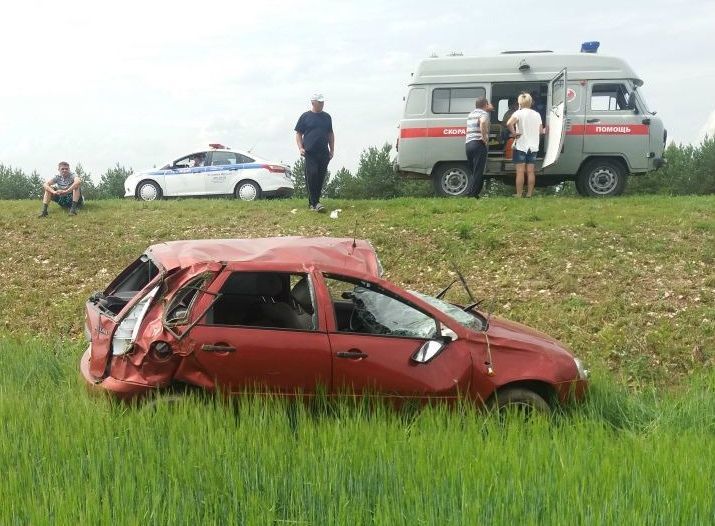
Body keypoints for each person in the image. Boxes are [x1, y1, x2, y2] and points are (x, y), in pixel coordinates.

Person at [295, 93, 334, 212]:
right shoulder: (305, 116)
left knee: (320, 177)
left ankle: (313, 203)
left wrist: (332, 149)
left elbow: (330, 134)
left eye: (323, 102)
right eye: (319, 102)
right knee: (312, 175)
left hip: (324, 153)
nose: (322, 104)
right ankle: (316, 203)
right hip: (310, 152)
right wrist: (300, 148)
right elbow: (298, 133)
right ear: (313, 103)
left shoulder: (327, 117)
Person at [507, 93, 544, 198]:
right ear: (531, 102)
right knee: (531, 171)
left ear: (519, 102)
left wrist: (514, 133)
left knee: (520, 172)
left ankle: (519, 194)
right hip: (533, 147)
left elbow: (509, 123)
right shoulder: (537, 114)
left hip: (521, 145)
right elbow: (541, 131)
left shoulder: (518, 113)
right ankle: (529, 194)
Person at [465, 97, 493, 197]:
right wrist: (484, 136)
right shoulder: (483, 114)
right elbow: (483, 122)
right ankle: (471, 194)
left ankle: (473, 193)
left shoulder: (471, 114)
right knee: (478, 170)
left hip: (468, 144)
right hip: (478, 144)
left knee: (473, 170)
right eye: (488, 104)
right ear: (485, 105)